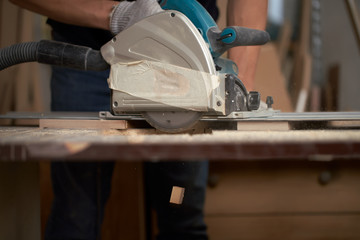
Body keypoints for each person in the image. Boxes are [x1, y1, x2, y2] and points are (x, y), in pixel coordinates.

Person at [9, 0, 268, 239]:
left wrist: (236, 88)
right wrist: (115, 14)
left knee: (181, 207)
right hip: (86, 46)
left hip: (188, 57)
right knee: (76, 214)